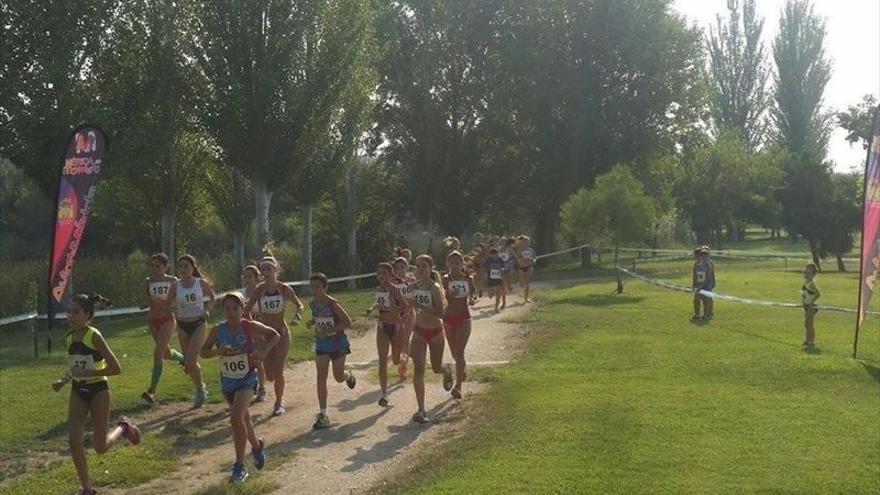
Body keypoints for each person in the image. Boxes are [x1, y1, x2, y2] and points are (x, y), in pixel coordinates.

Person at [52, 294, 141, 495]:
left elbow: (116, 368)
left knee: (100, 447)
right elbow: (75, 366)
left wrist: (91, 373)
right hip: (78, 390)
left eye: (76, 312)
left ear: (88, 315)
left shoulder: (94, 336)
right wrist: (63, 381)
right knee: (74, 441)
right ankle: (87, 489)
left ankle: (123, 427)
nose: (71, 316)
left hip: (99, 390)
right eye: (69, 312)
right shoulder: (67, 338)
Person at [201, 293, 279, 483]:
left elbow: (274, 335)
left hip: (247, 378)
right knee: (243, 419)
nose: (231, 312)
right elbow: (203, 352)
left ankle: (239, 466)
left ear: (242, 309)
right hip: (228, 381)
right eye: (227, 308)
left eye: (235, 308)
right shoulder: (218, 330)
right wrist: (218, 351)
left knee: (236, 418)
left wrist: (262, 352)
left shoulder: (248, 326)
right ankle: (257, 446)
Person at [243, 253, 304, 417]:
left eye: (269, 269)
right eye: (263, 269)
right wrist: (251, 326)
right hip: (265, 335)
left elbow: (299, 305)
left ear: (275, 270)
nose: (266, 272)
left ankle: (279, 402)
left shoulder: (284, 289)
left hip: (282, 333)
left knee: (278, 371)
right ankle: (271, 391)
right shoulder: (259, 290)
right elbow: (247, 310)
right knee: (270, 374)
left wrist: (297, 316)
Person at [306, 273, 357, 429]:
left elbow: (348, 323)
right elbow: (319, 318)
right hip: (322, 345)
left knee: (338, 376)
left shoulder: (333, 304)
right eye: (312, 287)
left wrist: (330, 330)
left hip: (337, 344)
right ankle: (323, 414)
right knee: (321, 377)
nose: (315, 290)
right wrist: (311, 322)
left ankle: (348, 375)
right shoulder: (312, 303)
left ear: (325, 287)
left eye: (318, 287)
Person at [406, 254, 452, 423]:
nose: (420, 269)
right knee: (418, 370)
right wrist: (406, 298)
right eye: (418, 266)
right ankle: (422, 410)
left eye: (424, 266)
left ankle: (446, 370)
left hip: (436, 332)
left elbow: (441, 313)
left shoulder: (435, 287)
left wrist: (422, 306)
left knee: (436, 368)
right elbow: (407, 304)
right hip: (419, 331)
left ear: (430, 268)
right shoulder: (414, 286)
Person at [168, 254, 216, 408]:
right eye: (180, 266)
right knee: (190, 364)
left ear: (193, 268)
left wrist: (207, 309)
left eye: (186, 266)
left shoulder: (200, 283)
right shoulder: (176, 286)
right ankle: (200, 387)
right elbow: (168, 304)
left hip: (198, 323)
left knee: (189, 360)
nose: (183, 269)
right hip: (182, 325)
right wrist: (172, 307)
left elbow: (213, 297)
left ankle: (200, 390)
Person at [139, 253, 185, 404]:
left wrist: (168, 304)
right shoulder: (148, 281)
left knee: (158, 352)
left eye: (158, 265)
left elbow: (180, 300)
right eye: (152, 265)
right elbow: (141, 305)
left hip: (167, 320)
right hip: (153, 321)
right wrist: (152, 302)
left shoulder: (173, 281)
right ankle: (184, 360)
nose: (154, 268)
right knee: (166, 353)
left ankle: (152, 391)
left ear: (166, 266)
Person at [442, 251, 477, 399]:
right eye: (451, 263)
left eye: (457, 263)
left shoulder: (468, 279)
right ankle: (461, 370)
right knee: (455, 353)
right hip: (448, 319)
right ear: (448, 264)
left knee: (460, 352)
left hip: (463, 318)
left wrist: (472, 299)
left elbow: (473, 294)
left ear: (462, 264)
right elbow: (441, 295)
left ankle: (458, 387)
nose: (454, 266)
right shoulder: (444, 279)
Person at [373, 262, 407, 406]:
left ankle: (404, 360)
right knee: (382, 361)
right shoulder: (378, 289)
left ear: (390, 274)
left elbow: (404, 307)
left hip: (396, 327)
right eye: (379, 273)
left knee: (395, 360)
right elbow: (379, 306)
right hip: (382, 327)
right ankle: (384, 394)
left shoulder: (395, 290)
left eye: (384, 273)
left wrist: (395, 308)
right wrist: (376, 307)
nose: (381, 276)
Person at [240, 264, 268, 403]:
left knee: (258, 359)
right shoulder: (241, 293)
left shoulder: (261, 292)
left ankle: (262, 388)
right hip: (245, 329)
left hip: (258, 328)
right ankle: (250, 386)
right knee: (247, 359)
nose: (247, 279)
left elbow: (264, 312)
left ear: (256, 278)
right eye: (245, 277)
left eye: (250, 276)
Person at [392, 250, 416, 378]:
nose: (400, 270)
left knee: (405, 339)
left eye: (402, 267)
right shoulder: (392, 282)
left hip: (409, 313)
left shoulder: (412, 281)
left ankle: (403, 366)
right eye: (397, 268)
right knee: (399, 340)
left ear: (407, 268)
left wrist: (408, 310)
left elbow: (414, 298)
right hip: (397, 314)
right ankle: (413, 354)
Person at [690, 247, 715, 322]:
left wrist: (701, 287)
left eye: (695, 255)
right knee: (696, 299)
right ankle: (697, 315)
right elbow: (694, 275)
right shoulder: (695, 264)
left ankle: (706, 315)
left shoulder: (707, 264)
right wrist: (694, 285)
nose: (694, 257)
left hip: (707, 285)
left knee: (706, 299)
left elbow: (707, 277)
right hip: (699, 285)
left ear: (700, 256)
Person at [801, 263, 821, 348]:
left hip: (811, 307)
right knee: (806, 324)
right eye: (805, 272)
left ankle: (811, 341)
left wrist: (811, 302)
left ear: (813, 275)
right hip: (806, 306)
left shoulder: (812, 284)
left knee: (810, 324)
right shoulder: (806, 282)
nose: (806, 275)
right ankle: (807, 339)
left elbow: (818, 294)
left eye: (808, 273)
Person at [485, 247, 507, 311]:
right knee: (490, 295)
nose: (494, 256)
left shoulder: (500, 259)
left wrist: (501, 270)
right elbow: (485, 268)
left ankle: (496, 308)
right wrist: (486, 273)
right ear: (490, 254)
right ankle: (493, 292)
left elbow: (504, 267)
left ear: (497, 254)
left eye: (496, 254)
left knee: (498, 292)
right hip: (490, 278)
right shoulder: (488, 260)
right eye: (493, 254)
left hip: (498, 278)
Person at [516, 236, 537, 303]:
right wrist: (521, 260)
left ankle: (526, 298)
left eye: (528, 242)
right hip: (521, 267)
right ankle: (521, 285)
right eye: (525, 242)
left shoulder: (531, 250)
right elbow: (517, 258)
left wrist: (533, 261)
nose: (526, 243)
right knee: (522, 283)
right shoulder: (520, 250)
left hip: (529, 267)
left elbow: (534, 257)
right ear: (522, 242)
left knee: (527, 283)